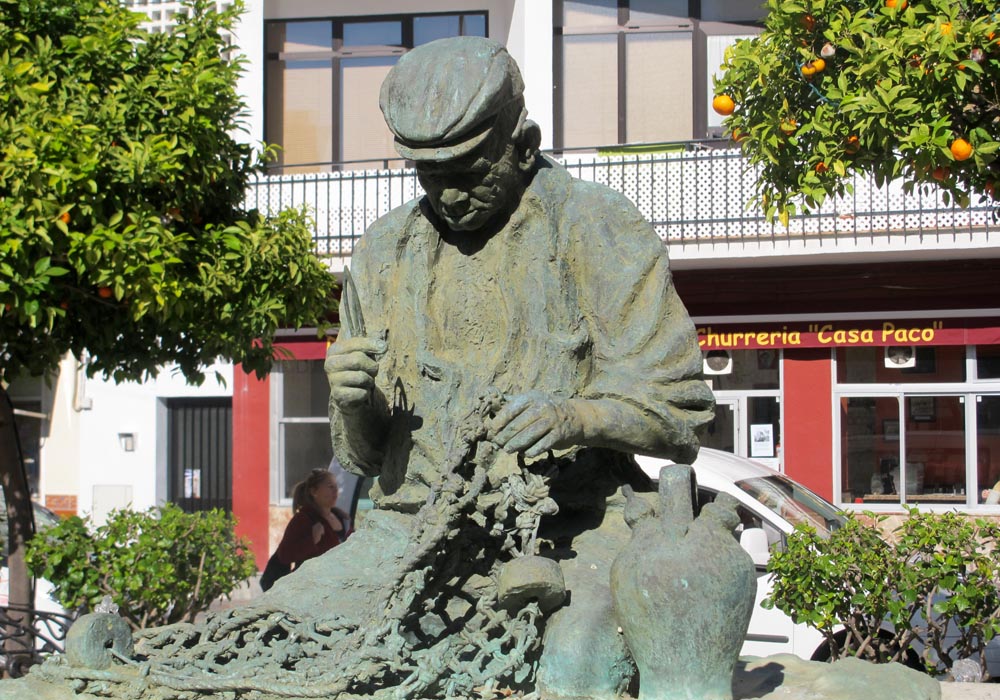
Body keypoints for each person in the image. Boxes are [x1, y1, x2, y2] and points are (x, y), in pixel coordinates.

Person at [324, 36, 715, 698]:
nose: (449, 197)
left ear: (525, 146)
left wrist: (577, 416)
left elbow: (679, 419)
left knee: (576, 664)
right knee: (288, 637)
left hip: (569, 534)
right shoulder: (384, 251)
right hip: (402, 541)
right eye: (429, 177)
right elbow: (362, 460)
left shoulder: (596, 227)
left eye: (470, 172)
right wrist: (353, 401)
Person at [260, 468, 352, 591]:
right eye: (330, 486)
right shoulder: (303, 519)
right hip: (310, 590)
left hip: (339, 587)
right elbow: (285, 555)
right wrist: (312, 539)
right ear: (314, 492)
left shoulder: (342, 518)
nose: (336, 491)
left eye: (336, 486)